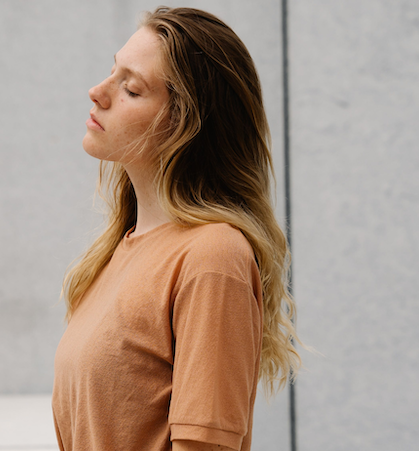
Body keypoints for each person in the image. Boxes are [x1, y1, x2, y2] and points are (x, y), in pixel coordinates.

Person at [52, 7, 301, 451]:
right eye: (112, 72)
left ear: (185, 124)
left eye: (131, 88)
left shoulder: (212, 258)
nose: (97, 92)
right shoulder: (117, 255)